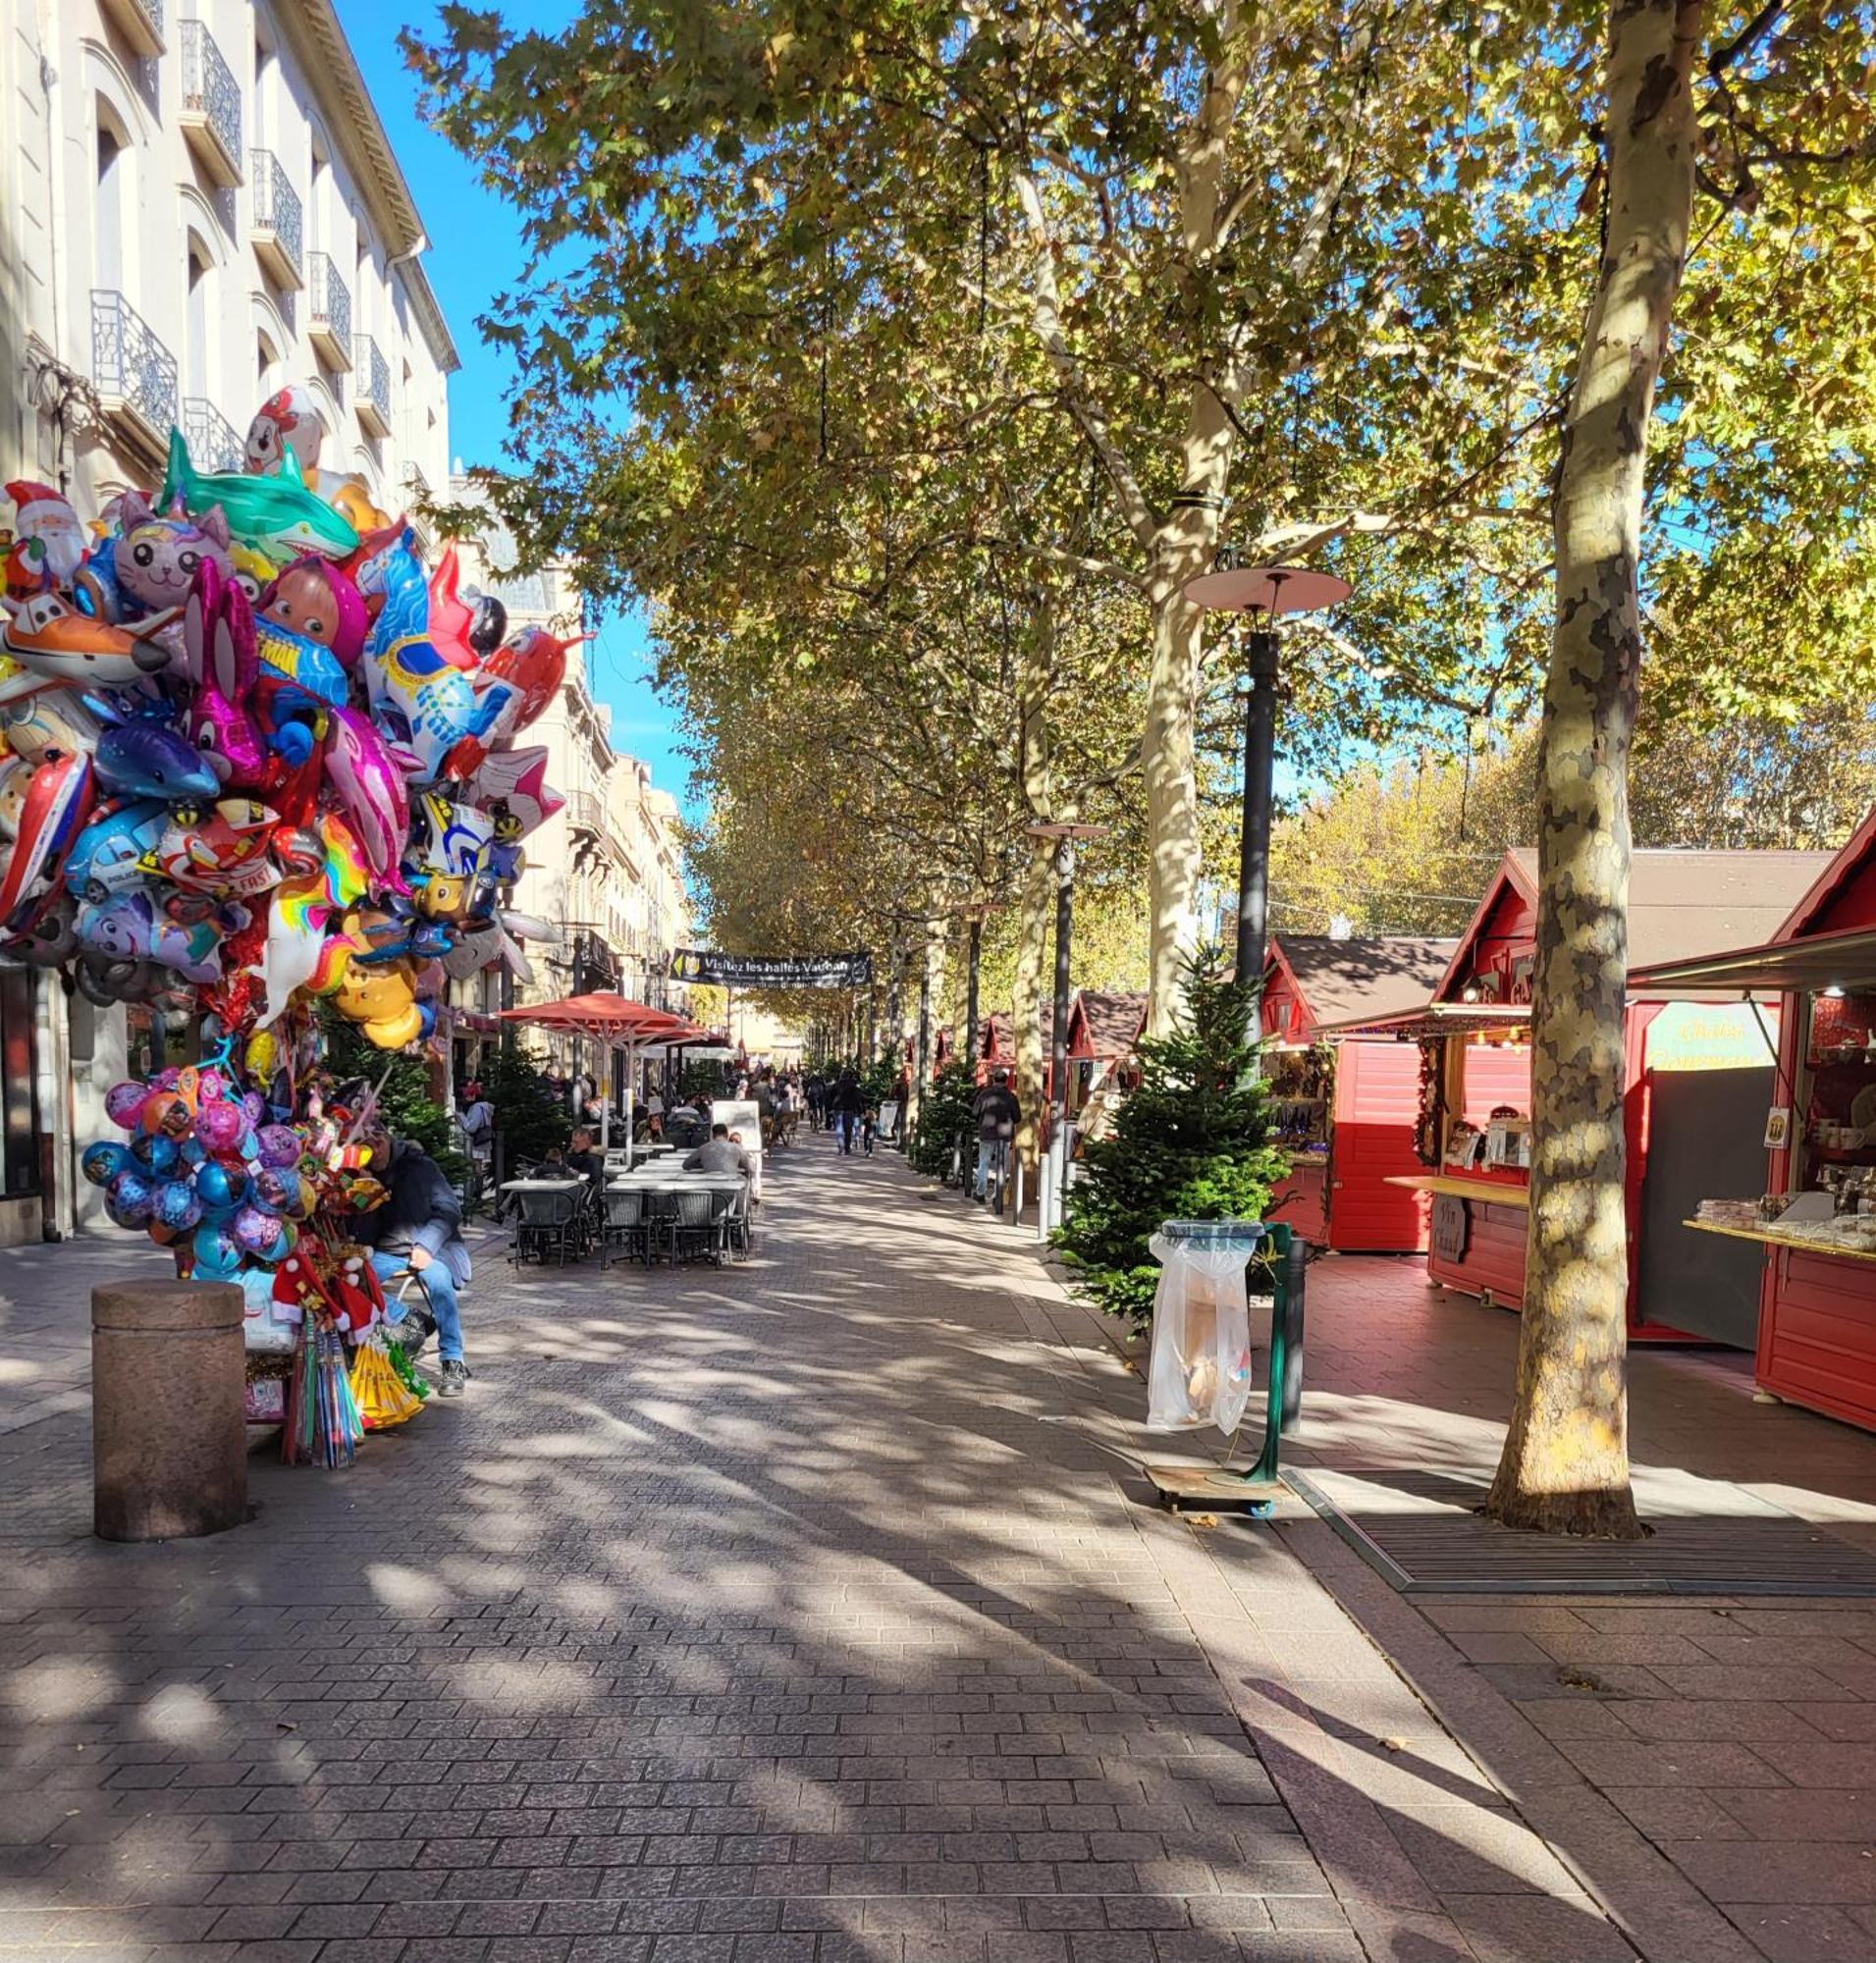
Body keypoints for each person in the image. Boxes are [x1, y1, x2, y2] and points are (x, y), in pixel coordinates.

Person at [355, 1123, 474, 1396]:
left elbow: (449, 1210)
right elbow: (359, 1231)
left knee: (440, 1283)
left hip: (429, 1247)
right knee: (353, 1281)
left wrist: (426, 1245)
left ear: (388, 1139)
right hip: (384, 1253)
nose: (374, 1150)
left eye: (378, 1141)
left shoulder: (420, 1167)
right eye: (366, 1145)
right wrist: (363, 1194)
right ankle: (411, 1318)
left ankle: (452, 1359)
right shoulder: (361, 1177)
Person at [971, 1068, 1022, 1202]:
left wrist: (982, 1121)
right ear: (1006, 1081)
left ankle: (980, 1193)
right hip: (1004, 1136)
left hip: (987, 1133)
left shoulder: (984, 1094)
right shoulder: (1011, 1097)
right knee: (1002, 1165)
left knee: (984, 1163)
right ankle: (997, 1196)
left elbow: (974, 1112)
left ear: (994, 1080)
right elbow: (1017, 1118)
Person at [684, 1122, 753, 1177]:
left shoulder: (703, 1148)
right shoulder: (736, 1148)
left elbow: (686, 1165)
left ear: (713, 1135)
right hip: (731, 1186)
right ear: (727, 1135)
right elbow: (752, 1167)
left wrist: (704, 1162)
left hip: (709, 1186)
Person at [458, 1079, 493, 1173]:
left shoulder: (477, 1108)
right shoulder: (485, 1107)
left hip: (477, 1141)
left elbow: (472, 1127)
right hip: (483, 1139)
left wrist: (462, 1117)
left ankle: (477, 1186)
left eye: (469, 1095)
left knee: (476, 1166)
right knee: (479, 1165)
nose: (466, 1098)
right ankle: (479, 1185)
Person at [831, 1069, 864, 1154]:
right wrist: (860, 1109)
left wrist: (829, 1108)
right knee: (848, 1129)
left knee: (839, 1129)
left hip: (838, 1109)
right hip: (849, 1110)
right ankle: (847, 1148)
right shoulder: (855, 1086)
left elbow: (830, 1096)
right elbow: (859, 1099)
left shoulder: (837, 1085)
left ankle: (841, 1145)